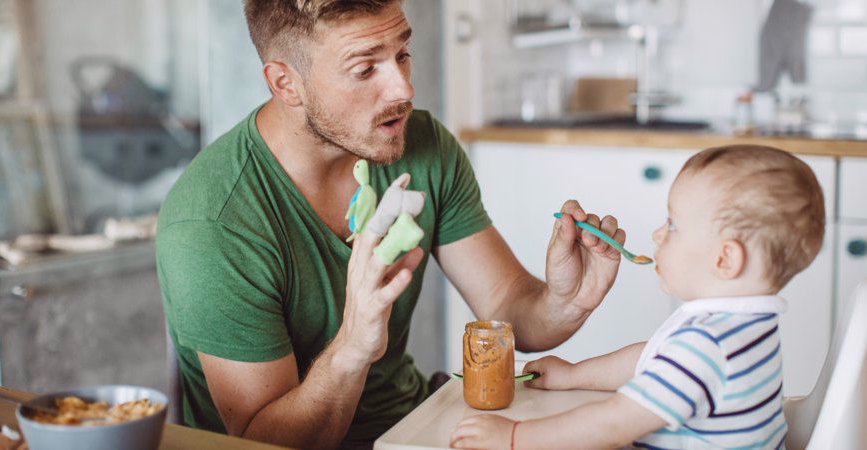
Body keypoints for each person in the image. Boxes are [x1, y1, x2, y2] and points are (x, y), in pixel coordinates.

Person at [156, 1, 626, 448]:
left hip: (413, 420)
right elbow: (266, 441)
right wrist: (354, 345)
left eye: (402, 54)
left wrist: (566, 301)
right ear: (285, 83)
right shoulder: (214, 223)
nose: (403, 89)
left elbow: (506, 309)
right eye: (365, 69)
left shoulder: (423, 145)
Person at [450, 145, 825, 449]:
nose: (659, 234)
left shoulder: (708, 344)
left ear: (724, 258)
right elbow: (652, 357)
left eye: (674, 225)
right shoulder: (743, 328)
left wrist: (514, 437)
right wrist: (573, 375)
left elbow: (613, 423)